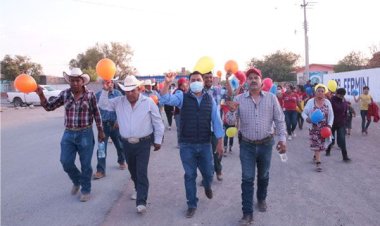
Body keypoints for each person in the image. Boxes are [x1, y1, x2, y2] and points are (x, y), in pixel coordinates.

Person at [226, 67, 287, 225]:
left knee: (263, 175)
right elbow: (230, 122)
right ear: (246, 82)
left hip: (266, 144)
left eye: (256, 77)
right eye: (250, 77)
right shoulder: (239, 99)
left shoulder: (271, 98)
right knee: (247, 178)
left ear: (261, 81)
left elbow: (279, 120)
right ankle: (247, 213)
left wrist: (282, 140)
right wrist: (231, 111)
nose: (253, 80)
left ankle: (261, 199)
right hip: (247, 145)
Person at [159, 71, 224, 218]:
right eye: (193, 80)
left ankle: (207, 185)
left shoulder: (210, 99)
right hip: (187, 144)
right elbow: (164, 98)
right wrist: (168, 83)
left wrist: (220, 142)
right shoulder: (182, 97)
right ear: (188, 83)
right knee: (190, 175)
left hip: (205, 144)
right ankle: (192, 204)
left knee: (208, 173)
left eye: (198, 79)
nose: (196, 82)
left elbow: (216, 121)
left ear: (203, 81)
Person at [35, 68, 105, 202]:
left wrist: (101, 131)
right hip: (68, 133)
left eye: (77, 81)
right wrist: (41, 95)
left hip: (85, 133)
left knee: (86, 164)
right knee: (65, 161)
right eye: (72, 81)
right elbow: (49, 107)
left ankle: (85, 189)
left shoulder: (90, 95)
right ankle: (77, 180)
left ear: (82, 82)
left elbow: (97, 114)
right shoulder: (65, 94)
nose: (74, 83)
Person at [98, 75, 164, 214]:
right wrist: (105, 91)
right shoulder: (119, 102)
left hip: (143, 143)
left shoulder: (148, 102)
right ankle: (137, 187)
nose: (129, 94)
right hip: (127, 143)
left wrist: (158, 140)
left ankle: (141, 201)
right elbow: (103, 105)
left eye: (132, 90)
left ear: (139, 89)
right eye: (127, 91)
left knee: (141, 171)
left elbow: (157, 121)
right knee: (133, 170)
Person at [93, 79, 126, 180]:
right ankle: (101, 170)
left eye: (111, 82)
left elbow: (122, 108)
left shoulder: (118, 94)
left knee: (120, 145)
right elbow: (95, 110)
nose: (109, 84)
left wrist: (118, 120)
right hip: (103, 126)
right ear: (103, 83)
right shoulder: (98, 95)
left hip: (115, 125)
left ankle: (121, 161)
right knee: (101, 148)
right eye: (107, 82)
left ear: (113, 83)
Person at [302, 84, 334, 172]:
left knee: (321, 145)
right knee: (317, 145)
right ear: (315, 92)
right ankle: (318, 163)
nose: (320, 93)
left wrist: (329, 125)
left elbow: (331, 115)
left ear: (324, 93)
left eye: (322, 91)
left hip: (324, 129)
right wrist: (307, 118)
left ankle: (316, 155)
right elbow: (303, 113)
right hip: (314, 128)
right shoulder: (310, 102)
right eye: (318, 91)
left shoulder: (327, 102)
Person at [202, 71, 224, 181]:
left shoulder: (218, 90)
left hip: (215, 127)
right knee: (204, 154)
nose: (209, 79)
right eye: (206, 77)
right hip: (202, 128)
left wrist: (228, 80)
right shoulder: (198, 92)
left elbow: (231, 94)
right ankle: (207, 176)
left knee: (217, 151)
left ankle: (218, 169)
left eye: (210, 77)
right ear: (202, 79)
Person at [325, 88, 351, 161]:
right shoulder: (331, 101)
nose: (341, 97)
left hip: (341, 123)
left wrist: (345, 121)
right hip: (331, 123)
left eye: (343, 95)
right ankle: (328, 150)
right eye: (340, 95)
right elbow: (328, 112)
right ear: (337, 94)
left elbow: (345, 111)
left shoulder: (344, 101)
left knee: (342, 139)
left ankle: (345, 156)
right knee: (331, 139)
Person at [173, 78, 189, 146]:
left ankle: (184, 142)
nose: (186, 84)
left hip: (184, 113)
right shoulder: (178, 92)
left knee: (185, 128)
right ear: (181, 84)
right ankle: (179, 143)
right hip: (179, 113)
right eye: (185, 83)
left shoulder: (185, 91)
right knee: (180, 128)